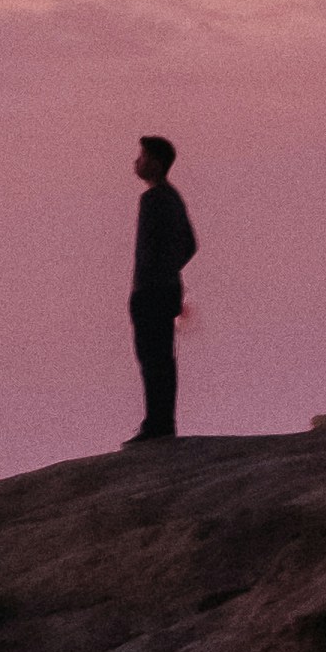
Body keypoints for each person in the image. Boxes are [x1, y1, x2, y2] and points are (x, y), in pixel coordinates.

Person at [129, 134, 197, 444]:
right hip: (166, 290)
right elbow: (190, 245)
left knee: (152, 359)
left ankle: (156, 425)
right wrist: (171, 271)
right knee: (162, 359)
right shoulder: (172, 197)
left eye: (142, 157)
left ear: (155, 163)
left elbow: (152, 252)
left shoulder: (154, 199)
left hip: (151, 292)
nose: (136, 162)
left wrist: (154, 275)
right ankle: (161, 423)